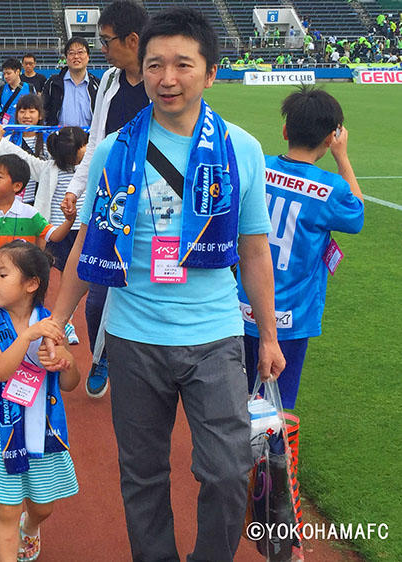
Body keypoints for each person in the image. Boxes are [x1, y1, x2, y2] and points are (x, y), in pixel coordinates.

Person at [45, 8, 285, 560]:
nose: (167, 78)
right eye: (155, 65)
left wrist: (267, 337)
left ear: (211, 72)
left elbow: (253, 250)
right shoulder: (112, 149)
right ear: (143, 68)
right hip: (133, 336)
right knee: (143, 475)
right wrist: (56, 320)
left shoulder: (240, 149)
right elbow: (89, 242)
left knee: (227, 471)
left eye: (183, 64)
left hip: (215, 335)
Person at [239, 87, 364, 410]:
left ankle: (230, 452)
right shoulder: (331, 188)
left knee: (238, 388)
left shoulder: (257, 167)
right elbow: (356, 215)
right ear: (329, 138)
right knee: (277, 399)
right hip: (290, 315)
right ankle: (271, 457)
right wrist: (342, 156)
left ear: (285, 130)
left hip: (241, 302)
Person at [0, 240, 80, 562]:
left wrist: (65, 363)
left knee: (43, 505)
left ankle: (31, 526)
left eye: (2, 275)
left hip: (44, 427)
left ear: (31, 284)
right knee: (6, 508)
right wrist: (27, 336)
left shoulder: (56, 327)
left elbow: (71, 384)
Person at [60, 0, 149, 397]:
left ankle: (145, 370)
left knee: (142, 291)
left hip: (151, 207)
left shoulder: (160, 81)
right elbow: (96, 142)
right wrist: (77, 188)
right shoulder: (110, 82)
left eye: (106, 41)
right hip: (108, 199)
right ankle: (100, 355)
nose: (102, 49)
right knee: (97, 295)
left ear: (132, 40)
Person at [0, 154, 76, 315]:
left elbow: (54, 236)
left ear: (17, 186)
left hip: (22, 279)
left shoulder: (30, 213)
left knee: (23, 321)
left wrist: (69, 221)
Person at [0, 126, 88, 275]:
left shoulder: (90, 168)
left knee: (80, 273)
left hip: (83, 230)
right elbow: (25, 158)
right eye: (84, 145)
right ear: (72, 151)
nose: (87, 148)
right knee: (57, 273)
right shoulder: (48, 169)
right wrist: (0, 142)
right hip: (57, 230)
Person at [41, 37, 99, 128]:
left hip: (88, 140)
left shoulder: (97, 85)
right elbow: (43, 110)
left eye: (80, 52)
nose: (76, 57)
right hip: (59, 139)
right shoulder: (53, 83)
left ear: (88, 57)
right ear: (66, 58)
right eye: (71, 53)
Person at [7, 93, 48, 205]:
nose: (26, 116)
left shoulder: (49, 142)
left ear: (40, 115)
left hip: (40, 201)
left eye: (31, 111)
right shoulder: (8, 141)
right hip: (15, 202)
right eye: (22, 111)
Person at [0, 58, 32, 125]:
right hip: (4, 131)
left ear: (17, 72)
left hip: (23, 130)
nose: (6, 76)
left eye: (9, 73)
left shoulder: (30, 88)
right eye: (4, 74)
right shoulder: (1, 90)